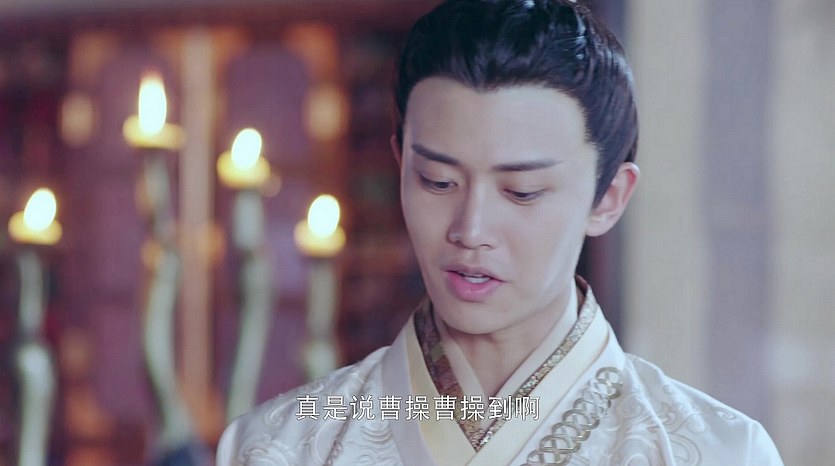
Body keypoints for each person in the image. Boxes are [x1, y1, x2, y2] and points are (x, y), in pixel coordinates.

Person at [217, 0, 784, 464]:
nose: (471, 230)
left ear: (608, 197)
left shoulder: (719, 453)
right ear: (401, 167)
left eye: (522, 192)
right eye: (438, 181)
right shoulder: (283, 445)